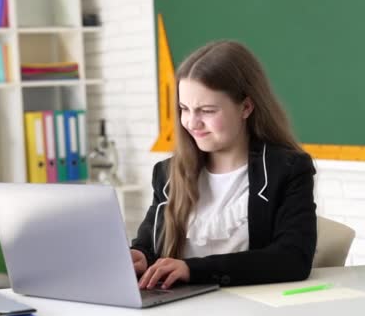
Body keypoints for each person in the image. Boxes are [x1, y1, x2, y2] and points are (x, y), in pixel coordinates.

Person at [130, 40, 317, 290]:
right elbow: (150, 246)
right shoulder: (166, 174)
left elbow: (293, 259)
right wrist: (141, 257)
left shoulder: (288, 169)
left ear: (246, 107)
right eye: (184, 109)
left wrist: (192, 269)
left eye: (206, 110)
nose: (192, 123)